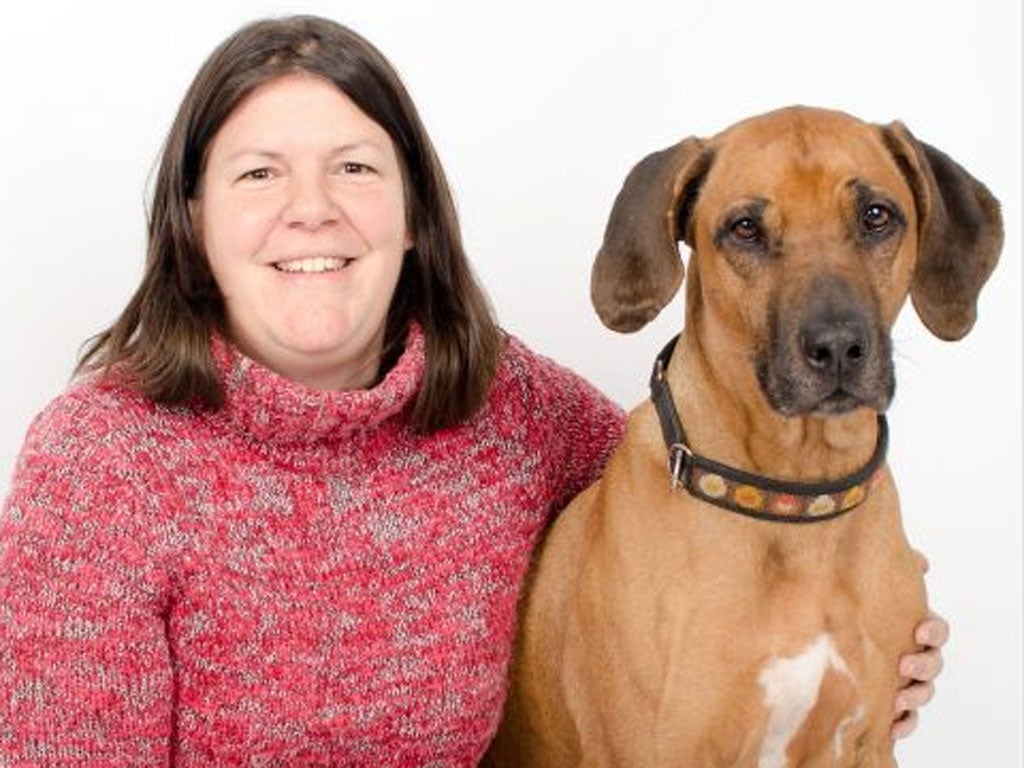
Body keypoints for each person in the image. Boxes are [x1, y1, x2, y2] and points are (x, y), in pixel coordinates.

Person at [0, 14, 946, 766]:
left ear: (413, 214)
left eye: (356, 168)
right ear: (191, 220)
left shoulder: (509, 408)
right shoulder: (101, 468)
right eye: (258, 174)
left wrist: (850, 646)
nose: (311, 207)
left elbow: (689, 477)